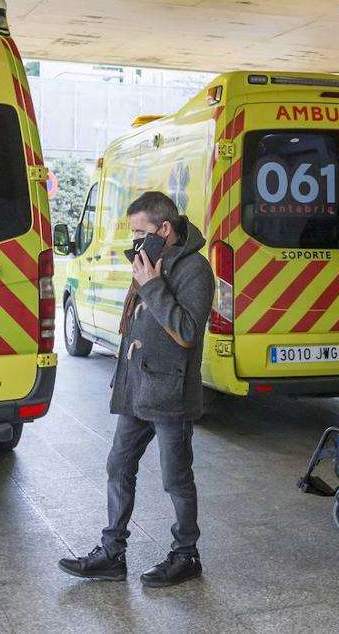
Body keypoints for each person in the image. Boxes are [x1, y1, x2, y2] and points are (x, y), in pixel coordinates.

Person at [59, 191, 214, 588]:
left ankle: (186, 554)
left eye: (141, 232)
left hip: (170, 393)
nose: (135, 243)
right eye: (132, 234)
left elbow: (187, 332)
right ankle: (112, 552)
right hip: (136, 387)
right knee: (118, 465)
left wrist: (152, 285)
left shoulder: (195, 268)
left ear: (164, 229)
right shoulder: (150, 260)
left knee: (175, 478)